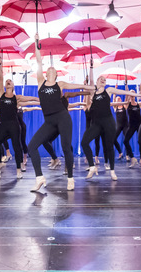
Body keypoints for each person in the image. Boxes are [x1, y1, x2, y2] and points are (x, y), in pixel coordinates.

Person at [27, 33, 94, 192]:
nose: (50, 68)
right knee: (32, 146)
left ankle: (70, 178)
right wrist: (37, 43)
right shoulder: (40, 82)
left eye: (53, 68)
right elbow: (38, 61)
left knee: (65, 147)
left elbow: (77, 85)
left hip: (63, 118)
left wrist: (92, 88)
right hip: (49, 121)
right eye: (48, 68)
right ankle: (39, 177)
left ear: (56, 74)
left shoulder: (60, 84)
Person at [81, 68, 141, 181]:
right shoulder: (93, 93)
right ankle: (92, 166)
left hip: (108, 122)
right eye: (101, 79)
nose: (103, 80)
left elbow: (123, 92)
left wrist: (137, 94)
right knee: (84, 142)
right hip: (97, 124)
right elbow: (91, 82)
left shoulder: (108, 91)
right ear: (97, 82)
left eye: (104, 79)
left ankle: (112, 171)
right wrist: (92, 68)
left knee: (109, 147)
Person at [0, 57, 38, 180]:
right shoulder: (1, 94)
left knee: (17, 146)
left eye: (10, 81)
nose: (8, 81)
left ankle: (19, 170)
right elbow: (1, 78)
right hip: (3, 126)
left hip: (14, 125)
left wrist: (40, 100)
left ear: (13, 85)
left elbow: (31, 99)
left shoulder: (17, 98)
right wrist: (0, 66)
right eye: (7, 81)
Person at [124, 92, 141, 168]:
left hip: (139, 125)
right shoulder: (127, 104)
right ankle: (132, 158)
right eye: (130, 94)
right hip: (131, 126)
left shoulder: (139, 104)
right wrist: (126, 84)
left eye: (133, 94)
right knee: (125, 141)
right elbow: (126, 97)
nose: (132, 95)